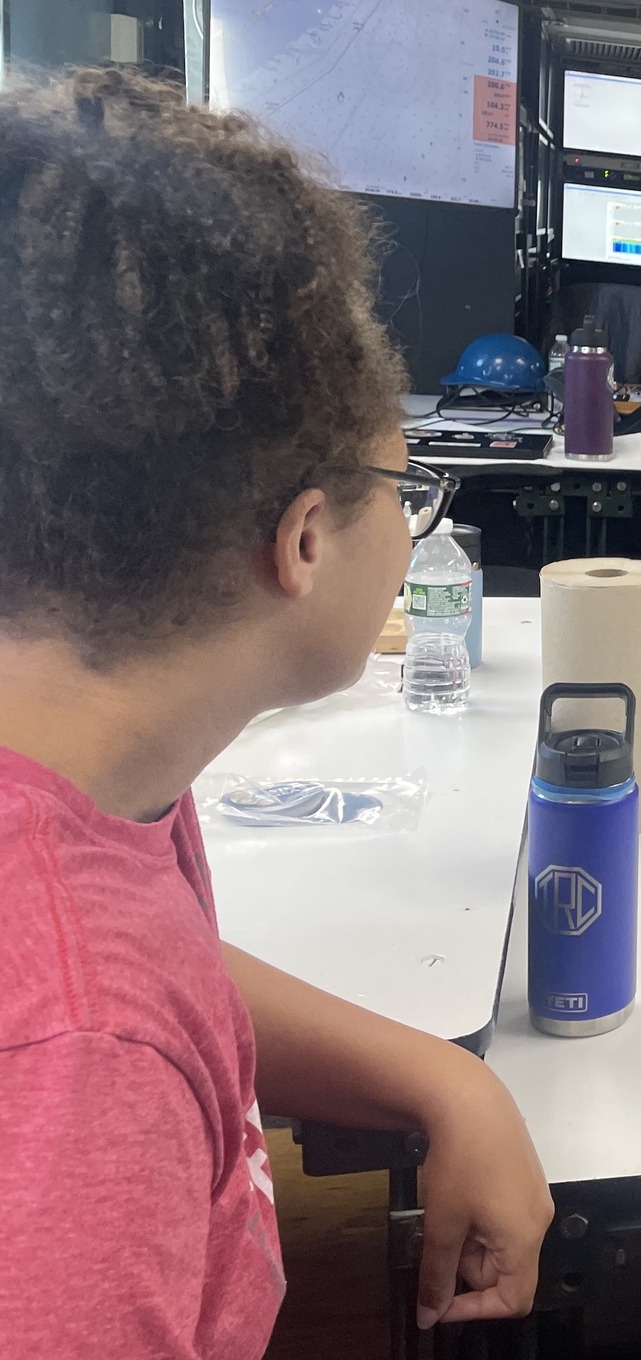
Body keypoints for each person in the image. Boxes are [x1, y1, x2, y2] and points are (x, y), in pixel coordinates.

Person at [0, 69, 553, 1356]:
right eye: (402, 491)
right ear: (304, 538)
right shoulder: (84, 1066)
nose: (410, 528)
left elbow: (160, 959)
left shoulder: (91, 777)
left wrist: (440, 1076)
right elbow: (101, 1011)